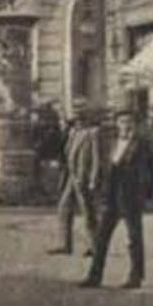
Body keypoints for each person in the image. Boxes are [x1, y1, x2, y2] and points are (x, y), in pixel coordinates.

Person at [79, 109, 153, 290]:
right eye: (122, 121)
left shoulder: (141, 145)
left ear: (135, 125)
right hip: (111, 197)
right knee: (101, 237)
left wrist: (145, 194)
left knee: (134, 238)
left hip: (131, 198)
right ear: (117, 124)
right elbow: (105, 167)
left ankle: (136, 277)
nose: (126, 125)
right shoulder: (111, 143)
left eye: (129, 122)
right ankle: (94, 276)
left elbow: (151, 171)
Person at [48, 105, 101, 257]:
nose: (77, 117)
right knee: (64, 208)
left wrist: (93, 178)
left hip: (82, 177)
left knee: (88, 211)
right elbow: (66, 152)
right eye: (76, 113)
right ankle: (64, 244)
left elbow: (96, 158)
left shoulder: (92, 133)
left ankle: (95, 246)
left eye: (81, 113)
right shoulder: (72, 132)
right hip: (70, 176)